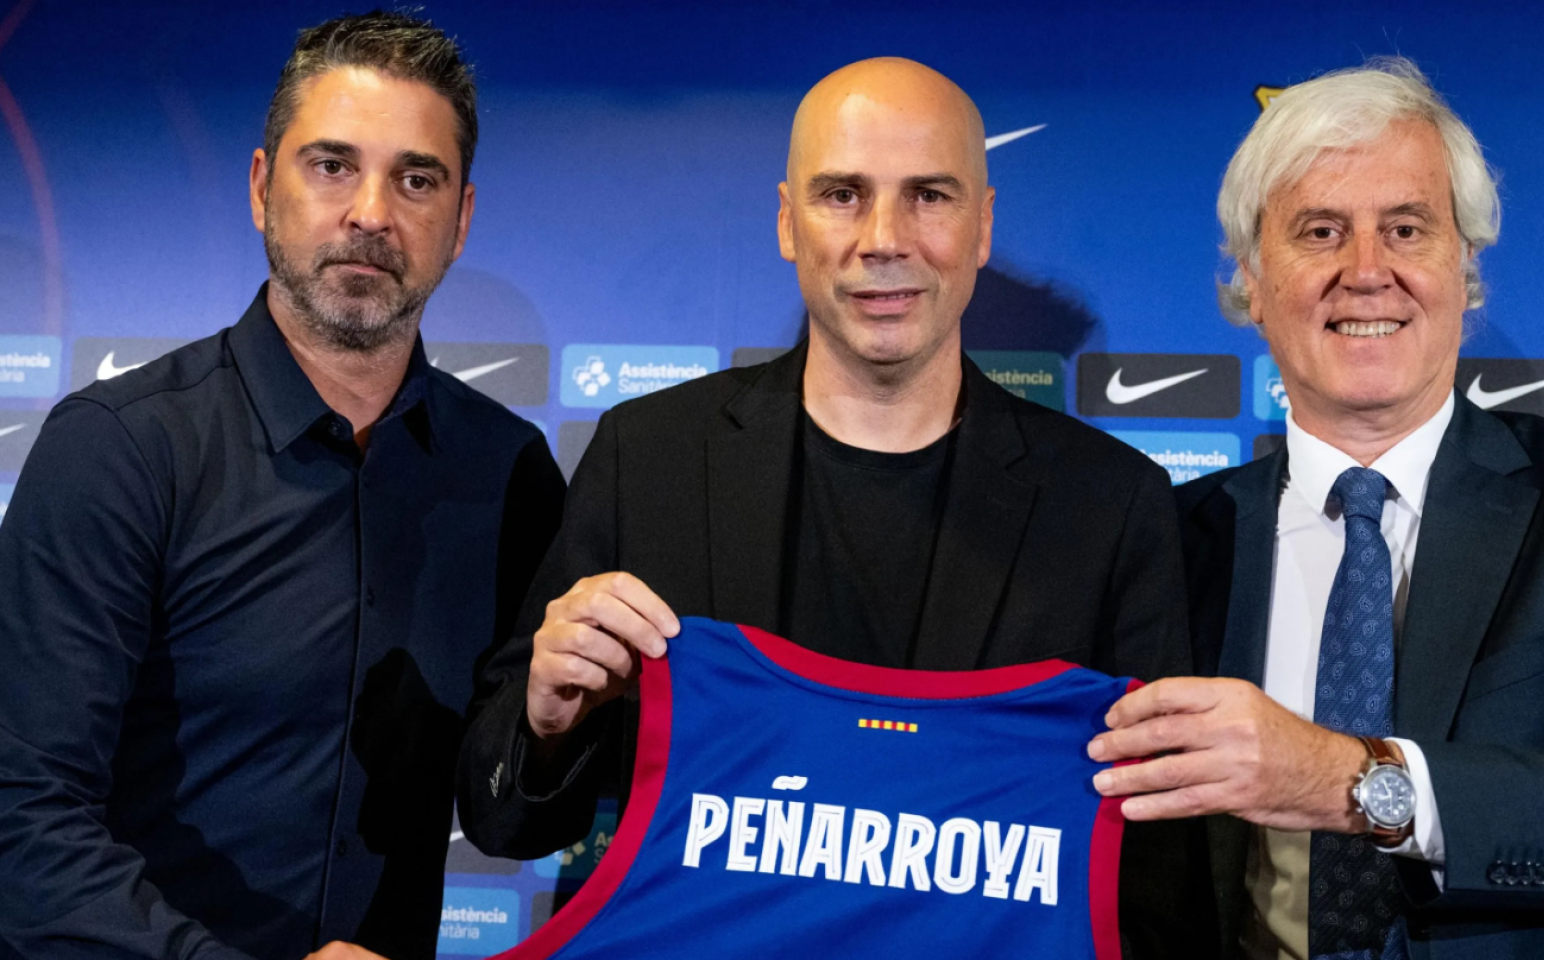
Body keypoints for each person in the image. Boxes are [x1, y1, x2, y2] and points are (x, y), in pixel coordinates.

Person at [456, 57, 1199, 954]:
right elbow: (505, 824)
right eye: (842, 194)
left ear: (983, 225)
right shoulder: (646, 457)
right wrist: (545, 724)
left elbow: (1154, 879)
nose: (884, 237)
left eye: (929, 195)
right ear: (785, 221)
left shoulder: (1112, 505)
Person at [1087, 57, 1544, 958]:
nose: (1366, 270)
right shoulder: (1166, 540)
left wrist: (1346, 780)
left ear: (1466, 269)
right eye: (1320, 231)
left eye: (1407, 229)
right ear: (1253, 284)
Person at [0, 13, 565, 960]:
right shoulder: (119, 450)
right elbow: (20, 817)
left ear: (460, 221)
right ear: (265, 188)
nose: (371, 213)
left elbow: (510, 823)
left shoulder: (511, 473)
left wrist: (550, 736)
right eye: (332, 166)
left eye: (415, 178)